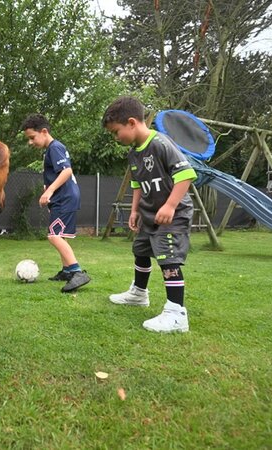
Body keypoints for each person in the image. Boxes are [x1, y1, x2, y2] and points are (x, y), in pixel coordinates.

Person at [101, 96, 197, 333]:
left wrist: (170, 205)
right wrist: (134, 211)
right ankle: (138, 294)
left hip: (173, 215)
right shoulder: (134, 154)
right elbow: (137, 185)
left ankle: (177, 313)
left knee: (168, 258)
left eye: (116, 132)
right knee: (141, 251)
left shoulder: (161, 144)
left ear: (132, 122)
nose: (116, 138)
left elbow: (186, 175)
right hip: (148, 215)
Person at [20, 114, 91, 293]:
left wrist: (49, 191)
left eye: (32, 137)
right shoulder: (51, 150)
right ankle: (67, 271)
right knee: (61, 235)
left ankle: (76, 271)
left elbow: (66, 171)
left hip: (65, 198)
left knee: (53, 236)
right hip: (64, 198)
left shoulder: (55, 147)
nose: (30, 142)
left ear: (44, 132)